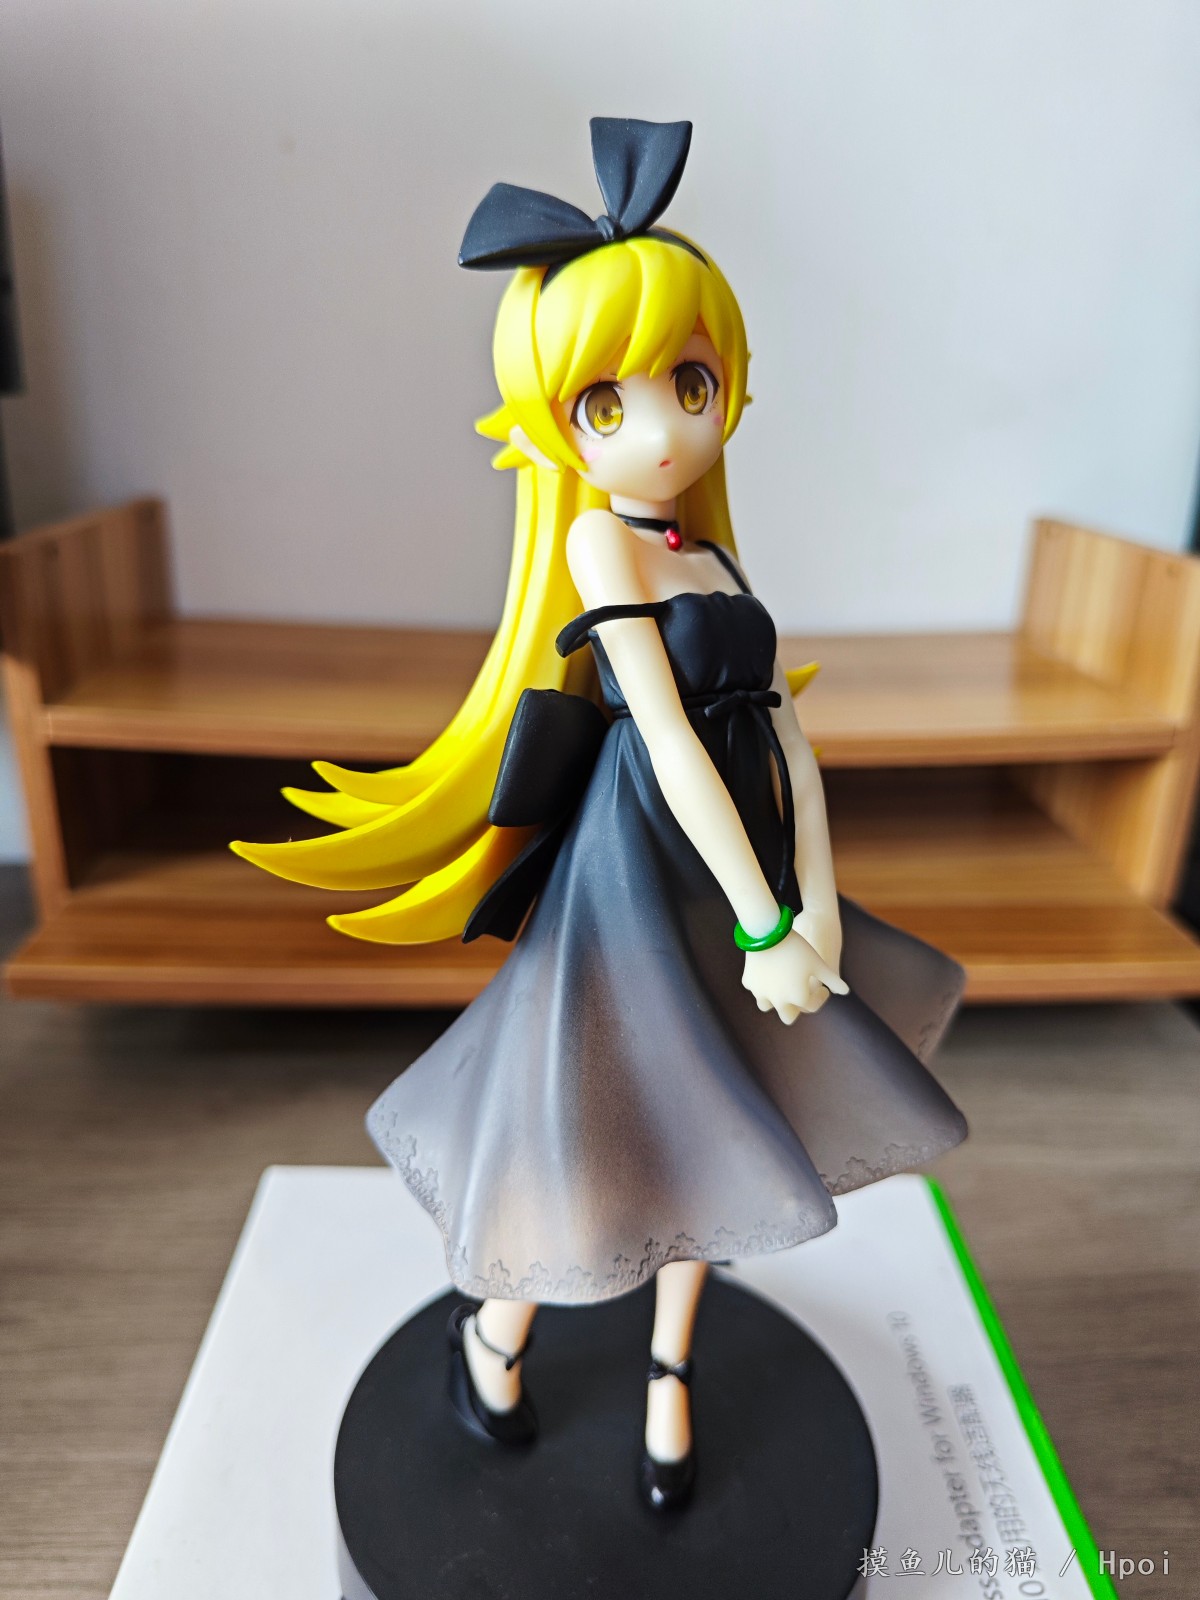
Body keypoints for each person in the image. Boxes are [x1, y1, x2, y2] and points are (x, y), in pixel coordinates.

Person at [232, 117, 968, 1513]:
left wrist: (812, 902)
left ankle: (669, 1374)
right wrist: (760, 920)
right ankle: (497, 1333)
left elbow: (785, 737)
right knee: (600, 1123)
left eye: (690, 382)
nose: (667, 427)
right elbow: (670, 737)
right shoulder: (598, 540)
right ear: (558, 422)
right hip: (647, 876)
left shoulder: (715, 551)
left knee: (730, 1125)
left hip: (747, 865)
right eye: (607, 404)